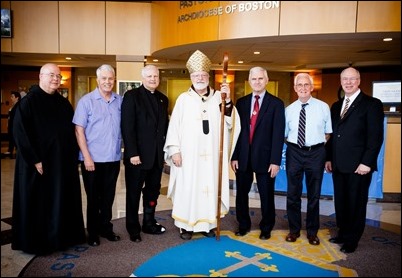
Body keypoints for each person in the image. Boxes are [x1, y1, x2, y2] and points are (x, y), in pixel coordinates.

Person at [164, 50, 240, 240]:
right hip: (188, 157)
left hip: (212, 156)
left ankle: (207, 224)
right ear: (191, 77)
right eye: (196, 75)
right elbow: (173, 128)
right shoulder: (183, 99)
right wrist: (175, 151)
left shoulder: (218, 98)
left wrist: (228, 100)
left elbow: (230, 122)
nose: (199, 78)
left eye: (203, 75)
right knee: (189, 188)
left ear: (208, 77)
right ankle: (186, 226)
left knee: (209, 187)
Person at [11, 63, 86, 255]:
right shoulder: (28, 103)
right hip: (38, 166)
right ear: (41, 76)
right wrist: (35, 160)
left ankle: (62, 238)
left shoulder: (63, 103)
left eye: (58, 76)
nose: (55, 79)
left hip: (61, 164)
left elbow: (72, 131)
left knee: (61, 200)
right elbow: (20, 134)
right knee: (40, 204)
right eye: (51, 75)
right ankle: (40, 242)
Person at [324, 67, 384, 253]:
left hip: (359, 165)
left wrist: (367, 162)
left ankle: (352, 239)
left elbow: (375, 137)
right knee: (341, 201)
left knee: (356, 203)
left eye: (352, 79)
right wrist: (328, 158)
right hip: (338, 164)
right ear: (341, 82)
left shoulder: (372, 104)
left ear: (359, 81)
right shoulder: (336, 105)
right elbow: (333, 136)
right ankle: (343, 232)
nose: (348, 83)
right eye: (345, 79)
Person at [230, 66, 285, 240]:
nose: (257, 82)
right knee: (241, 194)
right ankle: (243, 224)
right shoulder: (242, 103)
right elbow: (237, 133)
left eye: (260, 78)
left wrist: (275, 161)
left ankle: (266, 227)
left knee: (266, 195)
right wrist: (235, 156)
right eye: (254, 79)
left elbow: (278, 134)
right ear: (249, 81)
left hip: (266, 158)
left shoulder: (276, 104)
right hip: (244, 157)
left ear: (266, 80)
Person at [73, 64, 123, 247]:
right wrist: (86, 157)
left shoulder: (120, 101)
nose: (108, 82)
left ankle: (105, 228)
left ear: (114, 80)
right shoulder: (86, 101)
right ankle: (93, 232)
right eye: (104, 78)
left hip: (113, 158)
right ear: (98, 80)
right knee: (94, 198)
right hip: (92, 161)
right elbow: (79, 131)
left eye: (111, 79)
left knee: (109, 197)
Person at [121, 65, 169, 243]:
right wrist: (132, 152)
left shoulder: (163, 99)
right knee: (133, 193)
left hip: (156, 158)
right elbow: (127, 126)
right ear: (142, 78)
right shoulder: (132, 96)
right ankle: (133, 228)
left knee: (152, 193)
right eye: (149, 76)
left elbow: (164, 129)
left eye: (156, 76)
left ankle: (149, 223)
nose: (153, 79)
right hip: (137, 158)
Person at [284, 73, 332, 245]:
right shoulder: (288, 110)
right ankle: (294, 230)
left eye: (306, 85)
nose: (303, 88)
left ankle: (312, 232)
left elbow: (328, 133)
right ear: (295, 88)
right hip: (294, 152)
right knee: (293, 194)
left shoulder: (323, 107)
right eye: (299, 85)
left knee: (314, 195)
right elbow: (285, 134)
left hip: (316, 153)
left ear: (312, 87)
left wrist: (313, 146)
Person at [3, 91, 21, 158]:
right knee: (11, 138)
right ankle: (10, 150)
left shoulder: (18, 106)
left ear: (17, 98)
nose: (11, 98)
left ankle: (15, 151)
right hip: (11, 125)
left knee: (14, 138)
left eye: (12, 97)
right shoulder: (13, 106)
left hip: (15, 126)